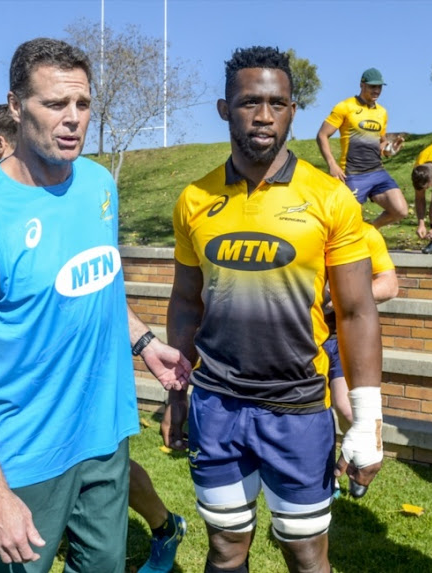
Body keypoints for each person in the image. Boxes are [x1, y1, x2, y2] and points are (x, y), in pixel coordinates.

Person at [0, 38, 191, 572]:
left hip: (103, 436)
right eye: (54, 105)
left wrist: (142, 341)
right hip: (21, 458)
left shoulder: (98, 183)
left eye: (83, 104)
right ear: (17, 107)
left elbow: (100, 282)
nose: (72, 120)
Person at [164, 47, 383, 573]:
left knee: (305, 554)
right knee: (224, 547)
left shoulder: (330, 198)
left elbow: (355, 312)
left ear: (292, 110)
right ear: (224, 109)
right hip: (217, 405)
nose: (263, 116)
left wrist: (367, 417)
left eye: (277, 103)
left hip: (298, 406)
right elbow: (184, 301)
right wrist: (177, 394)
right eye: (249, 103)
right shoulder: (194, 198)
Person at [324, 223, 398, 434]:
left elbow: (390, 285)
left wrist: (341, 297)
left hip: (342, 337)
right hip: (303, 335)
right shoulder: (296, 227)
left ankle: (358, 460)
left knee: (347, 409)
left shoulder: (363, 233)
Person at [316, 68, 408, 229]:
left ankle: (369, 231)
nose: (377, 90)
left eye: (379, 87)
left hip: (377, 172)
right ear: (362, 85)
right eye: (373, 86)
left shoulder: (382, 112)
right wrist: (332, 164)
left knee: (400, 210)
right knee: (348, 224)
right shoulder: (344, 107)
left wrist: (389, 150)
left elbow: (381, 143)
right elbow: (322, 135)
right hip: (353, 174)